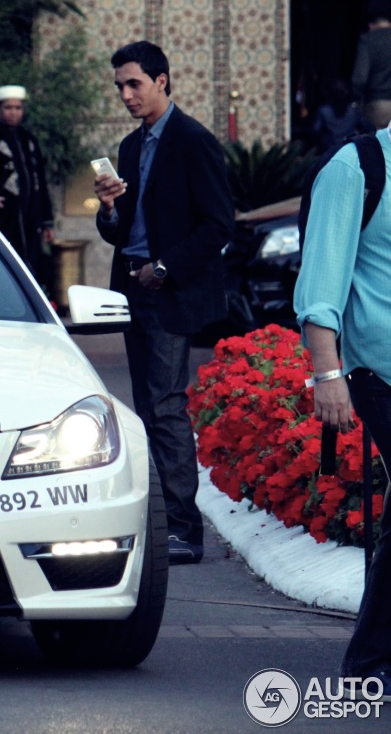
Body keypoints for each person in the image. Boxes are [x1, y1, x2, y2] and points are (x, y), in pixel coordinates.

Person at [93, 41, 235, 565]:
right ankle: (159, 519)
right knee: (148, 408)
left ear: (162, 80)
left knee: (168, 406)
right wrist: (108, 208)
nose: (126, 94)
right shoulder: (132, 147)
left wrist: (165, 268)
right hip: (133, 287)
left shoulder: (193, 141)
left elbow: (219, 223)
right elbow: (120, 230)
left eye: (134, 83)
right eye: (120, 87)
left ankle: (183, 527)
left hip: (169, 293)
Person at [294, 123, 391, 697]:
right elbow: (321, 285)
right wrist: (327, 374)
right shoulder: (356, 168)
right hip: (378, 373)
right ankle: (369, 660)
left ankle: (368, 661)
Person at [0, 84, 55, 287]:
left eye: (18, 108)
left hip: (30, 215)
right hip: (3, 216)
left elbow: (40, 181)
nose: (14, 113)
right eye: (8, 108)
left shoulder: (29, 140)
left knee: (31, 264)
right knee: (3, 265)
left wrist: (47, 220)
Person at [352, 13, 391, 130]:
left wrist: (355, 99)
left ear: (371, 25)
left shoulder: (368, 39)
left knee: (377, 144)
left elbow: (360, 77)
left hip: (377, 104)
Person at [312, 78, 372, 152]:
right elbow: (367, 128)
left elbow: (316, 131)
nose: (339, 96)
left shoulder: (354, 111)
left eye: (341, 92)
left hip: (344, 149)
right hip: (335, 149)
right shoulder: (324, 111)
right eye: (337, 92)